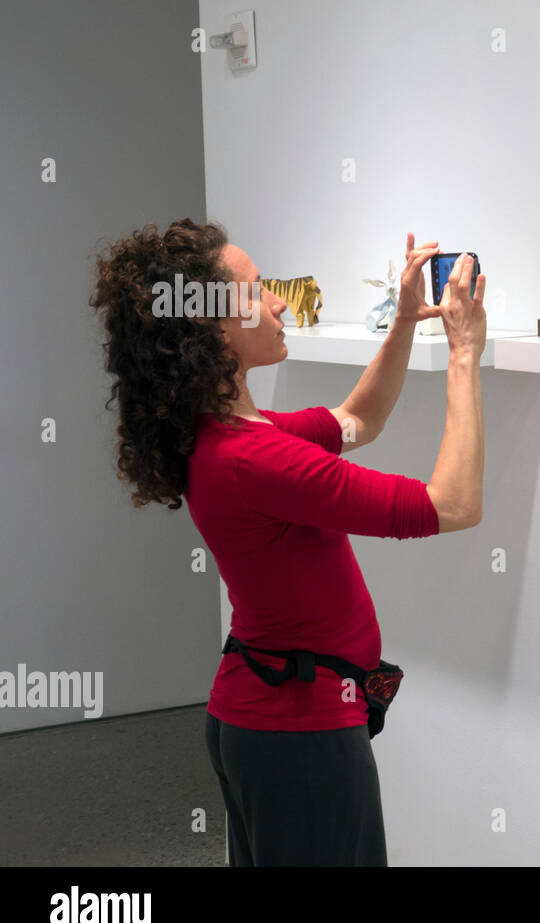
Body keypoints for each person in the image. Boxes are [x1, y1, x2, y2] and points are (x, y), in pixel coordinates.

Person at [89, 219, 487, 865]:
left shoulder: (233, 435)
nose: (278, 302)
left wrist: (408, 321)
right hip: (297, 736)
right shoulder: (255, 460)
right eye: (256, 291)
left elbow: (359, 419)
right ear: (209, 328)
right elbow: (455, 504)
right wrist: (464, 354)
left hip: (268, 720)